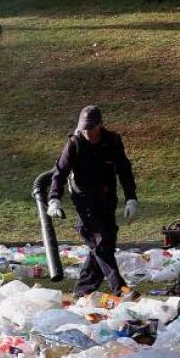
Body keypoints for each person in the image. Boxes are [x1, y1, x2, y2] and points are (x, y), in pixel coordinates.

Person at [46, 105, 139, 299]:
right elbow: (59, 173)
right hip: (84, 202)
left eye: (91, 128)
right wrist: (54, 198)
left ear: (100, 125)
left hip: (107, 199)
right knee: (101, 242)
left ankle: (83, 290)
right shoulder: (75, 143)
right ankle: (120, 289)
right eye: (84, 129)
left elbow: (124, 170)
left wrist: (131, 198)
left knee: (105, 243)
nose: (88, 133)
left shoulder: (112, 141)